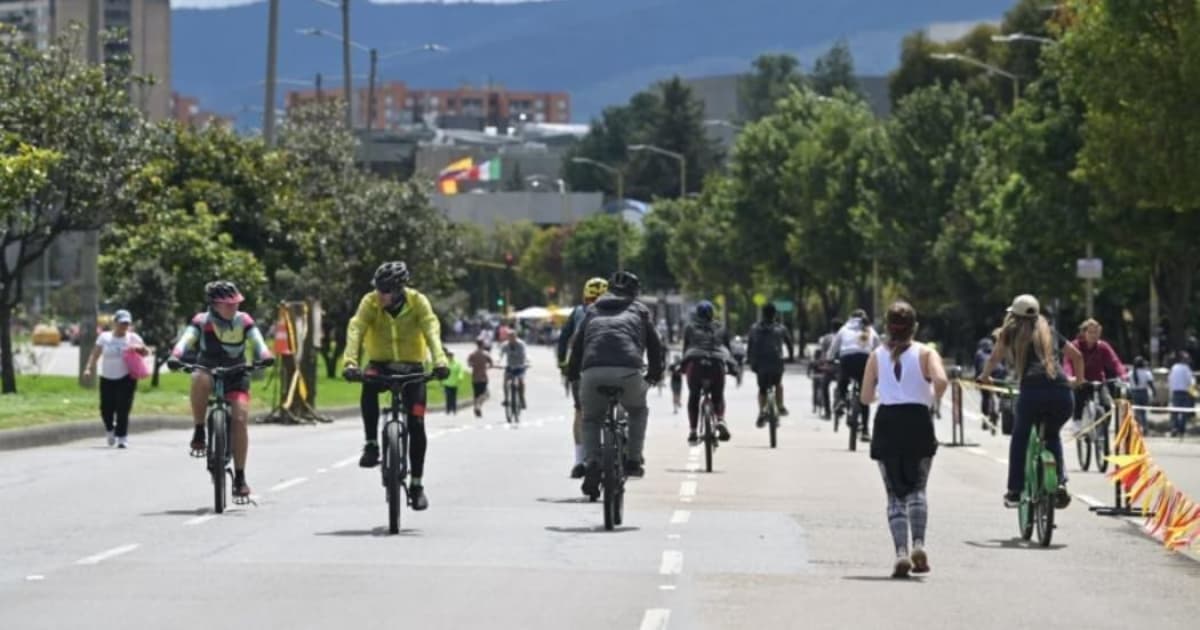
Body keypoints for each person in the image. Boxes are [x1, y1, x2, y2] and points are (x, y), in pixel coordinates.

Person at [342, 261, 450, 512]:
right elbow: (356, 328)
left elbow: (431, 329)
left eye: (386, 290)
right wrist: (350, 362)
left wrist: (440, 361)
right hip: (381, 363)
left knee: (417, 424)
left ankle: (416, 485)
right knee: (367, 385)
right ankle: (371, 444)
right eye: (378, 289)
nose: (380, 295)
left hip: (413, 367)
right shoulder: (369, 302)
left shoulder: (418, 302)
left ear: (400, 290)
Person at [860, 302, 948, 578]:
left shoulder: (876, 355)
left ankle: (900, 552)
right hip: (918, 422)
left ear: (887, 326)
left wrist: (882, 395)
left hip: (887, 423)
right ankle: (919, 544)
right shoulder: (925, 353)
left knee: (894, 495)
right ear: (915, 327)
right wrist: (932, 400)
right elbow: (942, 380)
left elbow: (865, 397)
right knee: (918, 488)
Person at [169, 282, 274, 498]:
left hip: (237, 372)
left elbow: (258, 341)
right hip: (208, 368)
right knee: (198, 377)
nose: (233, 307)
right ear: (214, 305)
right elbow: (186, 339)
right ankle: (199, 429)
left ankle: (240, 477)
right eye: (227, 304)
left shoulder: (244, 321)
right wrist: (175, 355)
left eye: (235, 303)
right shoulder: (201, 321)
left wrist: (265, 355)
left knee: (240, 419)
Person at [981, 294, 1083, 509]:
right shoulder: (1050, 331)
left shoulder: (1010, 331)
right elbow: (1076, 355)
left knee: (1020, 437)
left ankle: (1015, 492)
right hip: (1062, 393)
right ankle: (1060, 482)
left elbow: (994, 357)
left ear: (1014, 315)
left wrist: (984, 376)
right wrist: (1079, 380)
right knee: (1052, 434)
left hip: (1032, 393)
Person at [567, 271, 665, 493]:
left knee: (590, 419)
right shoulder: (640, 310)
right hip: (629, 371)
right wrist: (655, 374)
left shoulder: (591, 310)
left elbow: (577, 346)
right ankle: (632, 459)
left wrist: (573, 375)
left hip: (592, 372)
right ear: (635, 293)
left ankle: (591, 461)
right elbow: (655, 344)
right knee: (637, 411)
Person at [557, 277, 608, 478]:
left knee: (580, 412)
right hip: (612, 369)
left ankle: (579, 460)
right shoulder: (618, 312)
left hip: (582, 370)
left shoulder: (579, 312)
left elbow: (563, 339)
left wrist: (562, 364)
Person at [84, 309, 148, 448]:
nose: (124, 326)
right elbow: (95, 354)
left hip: (126, 378)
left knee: (123, 408)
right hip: (107, 377)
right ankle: (110, 429)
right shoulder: (104, 337)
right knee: (105, 408)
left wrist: (139, 348)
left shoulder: (133, 337)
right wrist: (89, 368)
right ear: (115, 323)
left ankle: (122, 437)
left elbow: (146, 352)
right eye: (121, 323)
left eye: (126, 324)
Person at [681, 300, 735, 445]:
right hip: (717, 365)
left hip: (696, 364)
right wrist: (733, 369)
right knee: (718, 396)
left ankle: (693, 431)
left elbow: (686, 350)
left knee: (694, 396)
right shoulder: (721, 328)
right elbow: (728, 351)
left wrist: (682, 368)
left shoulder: (689, 328)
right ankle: (720, 419)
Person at [1063, 319, 1126, 434]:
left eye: (1096, 332)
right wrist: (1069, 376)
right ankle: (1077, 421)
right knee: (1079, 396)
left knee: (1107, 404)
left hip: (1098, 381)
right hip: (1081, 379)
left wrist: (1122, 375)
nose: (1094, 335)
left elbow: (1115, 361)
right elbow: (1068, 362)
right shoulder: (1075, 345)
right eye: (1091, 332)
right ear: (1084, 332)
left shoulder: (1103, 346)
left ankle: (1103, 431)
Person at [830, 309, 880, 438]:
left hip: (847, 359)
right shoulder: (870, 329)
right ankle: (865, 431)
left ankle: (841, 399)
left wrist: (829, 357)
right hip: (865, 360)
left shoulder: (844, 328)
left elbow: (834, 346)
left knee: (843, 379)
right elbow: (878, 347)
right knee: (864, 395)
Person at [747, 303, 795, 426]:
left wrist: (750, 361)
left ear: (763, 313)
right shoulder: (781, 328)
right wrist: (790, 358)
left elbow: (750, 346)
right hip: (776, 363)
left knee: (762, 389)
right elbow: (789, 344)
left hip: (760, 364)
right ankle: (780, 405)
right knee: (778, 384)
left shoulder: (754, 328)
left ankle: (761, 412)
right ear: (775, 314)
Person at [499, 328, 529, 412]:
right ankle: (506, 399)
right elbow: (500, 355)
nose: (511, 338)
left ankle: (522, 398)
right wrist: (498, 362)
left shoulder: (521, 344)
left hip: (520, 366)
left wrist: (527, 363)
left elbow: (525, 355)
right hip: (510, 366)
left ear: (516, 336)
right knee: (505, 381)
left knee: (521, 382)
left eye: (513, 336)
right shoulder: (505, 345)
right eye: (509, 337)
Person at [1168, 352, 1195, 438]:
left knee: (1175, 411)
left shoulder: (1174, 367)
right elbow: (1191, 381)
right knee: (1184, 412)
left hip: (1175, 392)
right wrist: (1193, 392)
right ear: (1185, 360)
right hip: (1184, 392)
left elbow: (1170, 379)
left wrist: (1172, 389)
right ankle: (1181, 430)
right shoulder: (1187, 368)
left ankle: (1174, 428)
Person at [467, 340, 493, 418]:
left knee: (476, 394)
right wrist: (487, 366)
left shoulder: (472, 354)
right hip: (483, 377)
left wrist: (474, 365)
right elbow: (491, 363)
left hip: (474, 377)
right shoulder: (486, 354)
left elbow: (469, 364)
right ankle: (478, 406)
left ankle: (476, 408)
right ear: (483, 345)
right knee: (485, 394)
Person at [1129, 356, 1155, 432]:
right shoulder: (1146, 373)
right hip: (1143, 393)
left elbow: (1128, 383)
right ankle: (1145, 428)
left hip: (1134, 393)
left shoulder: (1130, 373)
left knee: (1136, 412)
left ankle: (1136, 429)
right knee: (1143, 412)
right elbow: (1150, 384)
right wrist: (1154, 392)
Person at [442, 350, 466, 415]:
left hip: (454, 383)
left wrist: (460, 377)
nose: (450, 356)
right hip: (447, 383)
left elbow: (460, 371)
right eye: (449, 355)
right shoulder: (445, 363)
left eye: (451, 355)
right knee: (448, 397)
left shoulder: (457, 363)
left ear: (453, 356)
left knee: (454, 397)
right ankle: (448, 409)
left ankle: (454, 409)